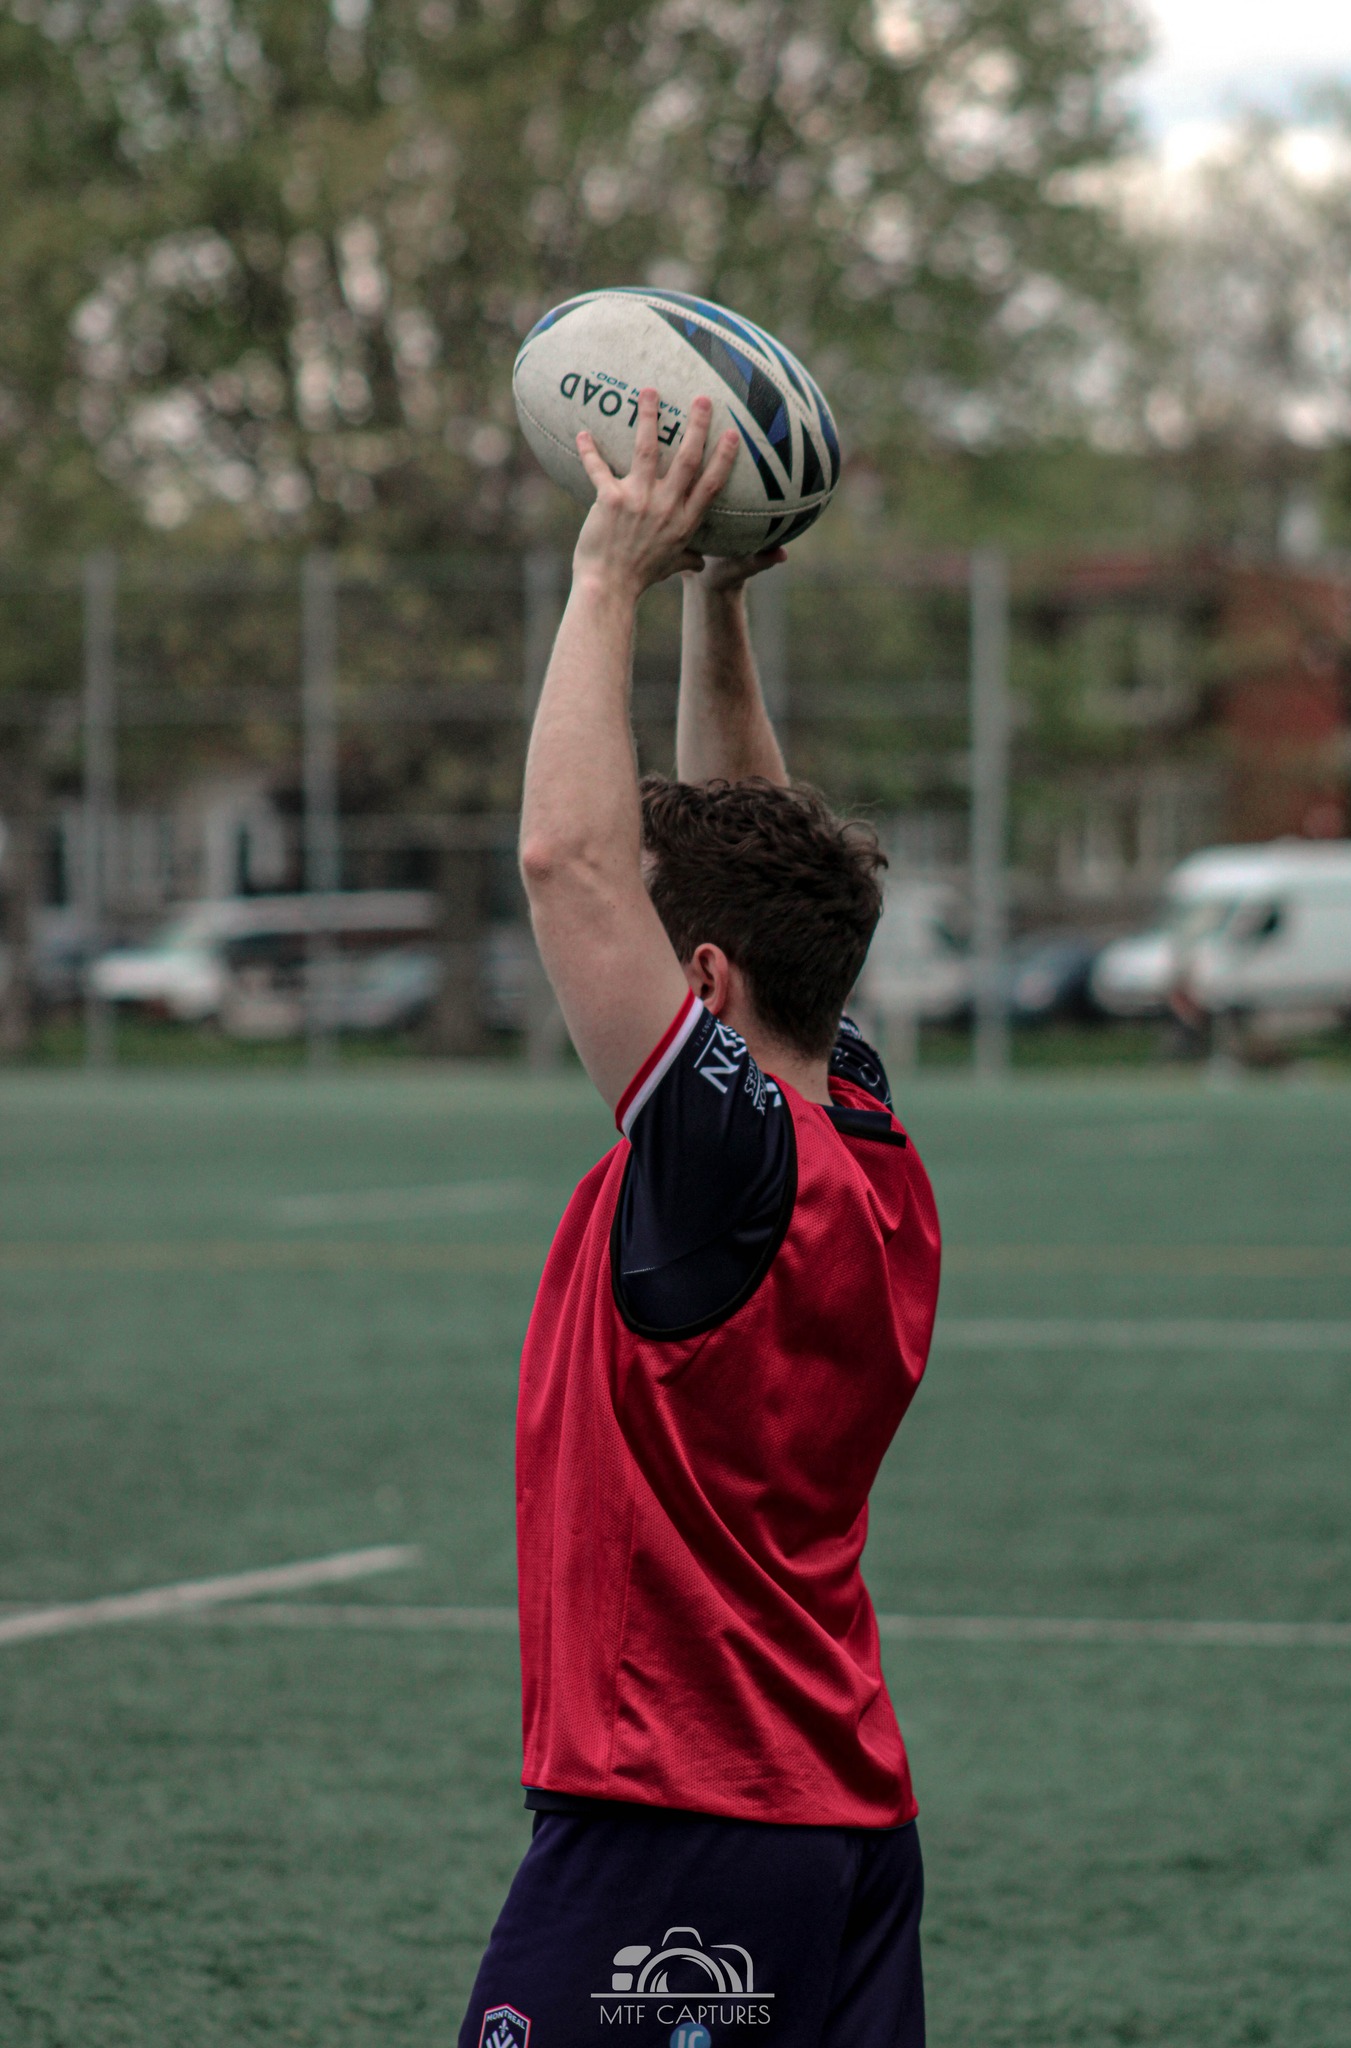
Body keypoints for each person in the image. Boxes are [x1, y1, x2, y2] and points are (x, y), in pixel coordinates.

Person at [459, 391, 941, 2048]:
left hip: (680, 1824)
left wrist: (607, 581)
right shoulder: (860, 1143)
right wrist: (719, 592)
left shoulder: (727, 1169)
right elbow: (761, 859)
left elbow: (570, 868)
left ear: (704, 989)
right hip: (843, 1824)